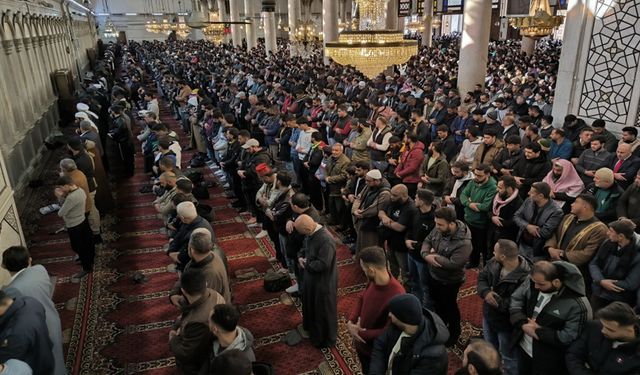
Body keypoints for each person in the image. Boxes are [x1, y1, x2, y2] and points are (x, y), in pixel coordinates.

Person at [509, 260, 592, 375]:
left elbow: (568, 338)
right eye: (534, 282)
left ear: (556, 282)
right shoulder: (534, 281)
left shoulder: (578, 305)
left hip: (550, 361)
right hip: (524, 350)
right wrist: (522, 323)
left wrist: (538, 331)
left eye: (541, 284)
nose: (536, 286)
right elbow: (516, 300)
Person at [1, 246, 65, 375]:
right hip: (52, 319)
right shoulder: (40, 269)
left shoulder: (10, 291)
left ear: (3, 265)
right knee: (57, 356)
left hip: (36, 329)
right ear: (29, 260)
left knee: (47, 362)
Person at [348, 246, 405, 373]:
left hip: (376, 352)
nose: (363, 272)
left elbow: (390, 331)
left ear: (371, 270)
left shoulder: (397, 296)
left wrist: (360, 333)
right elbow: (362, 297)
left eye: (364, 269)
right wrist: (351, 321)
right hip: (362, 345)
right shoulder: (374, 280)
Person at [421, 207, 472, 346]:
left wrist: (434, 257)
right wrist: (426, 255)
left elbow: (453, 264)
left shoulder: (464, 242)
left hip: (450, 281)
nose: (436, 227)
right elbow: (427, 241)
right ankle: (441, 327)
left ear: (451, 223)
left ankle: (454, 334)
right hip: (434, 275)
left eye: (440, 224)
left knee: (450, 307)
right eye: (436, 223)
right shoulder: (438, 229)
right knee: (438, 305)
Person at [477, 240, 530, 375]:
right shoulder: (494, 262)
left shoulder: (526, 278)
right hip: (489, 316)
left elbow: (519, 304)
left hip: (506, 325)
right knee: (490, 349)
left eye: (495, 251)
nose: (493, 253)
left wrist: (496, 302)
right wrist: (485, 292)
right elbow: (482, 277)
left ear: (503, 257)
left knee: (508, 358)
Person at [369, 294, 449, 375]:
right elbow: (380, 343)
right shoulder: (397, 325)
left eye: (393, 313)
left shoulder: (433, 356)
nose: (389, 314)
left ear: (403, 318)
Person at [169, 269, 225, 375]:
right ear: (205, 284)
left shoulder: (198, 321)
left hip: (202, 360)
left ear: (183, 291)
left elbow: (185, 353)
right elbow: (190, 309)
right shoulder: (212, 293)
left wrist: (172, 337)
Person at [294, 214, 338, 348]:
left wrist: (306, 264)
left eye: (301, 232)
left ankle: (325, 339)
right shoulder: (311, 233)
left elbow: (323, 264)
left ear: (307, 229)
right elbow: (304, 248)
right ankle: (312, 330)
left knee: (322, 310)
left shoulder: (325, 240)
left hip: (323, 282)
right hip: (311, 278)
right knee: (311, 304)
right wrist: (301, 257)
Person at [566, 302, 640, 375]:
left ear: (629, 330)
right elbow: (573, 354)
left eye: (610, 329)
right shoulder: (594, 327)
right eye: (603, 325)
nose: (603, 331)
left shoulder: (636, 356)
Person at [589, 219, 640, 312]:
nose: (607, 233)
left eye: (611, 231)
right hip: (598, 293)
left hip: (619, 301)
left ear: (621, 236)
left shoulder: (636, 255)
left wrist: (607, 283)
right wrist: (601, 281)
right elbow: (594, 263)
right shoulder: (607, 244)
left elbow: (631, 283)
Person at [170, 230, 231, 307]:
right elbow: (187, 275)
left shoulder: (210, 273)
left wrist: (180, 301)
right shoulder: (204, 255)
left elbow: (204, 302)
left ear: (191, 249)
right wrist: (174, 293)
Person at [0, 290, 53, 375]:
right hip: (44, 350)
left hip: (34, 366)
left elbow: (5, 365)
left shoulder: (14, 334)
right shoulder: (29, 301)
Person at [55, 175, 95, 281]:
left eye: (62, 187)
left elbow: (60, 213)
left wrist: (60, 197)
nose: (61, 190)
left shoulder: (71, 198)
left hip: (74, 224)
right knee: (87, 242)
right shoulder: (80, 190)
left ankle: (87, 267)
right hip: (82, 220)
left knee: (77, 247)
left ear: (67, 185)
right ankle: (90, 259)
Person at [513, 182, 564, 260]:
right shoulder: (528, 201)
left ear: (541, 196)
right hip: (522, 244)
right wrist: (527, 226)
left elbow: (545, 232)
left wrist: (529, 227)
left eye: (531, 192)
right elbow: (516, 216)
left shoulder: (556, 211)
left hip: (538, 251)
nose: (528, 193)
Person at [199, 304, 255, 374]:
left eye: (209, 320)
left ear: (214, 329)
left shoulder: (243, 361)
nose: (207, 322)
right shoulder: (214, 338)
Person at [460, 164, 497, 268]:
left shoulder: (493, 187)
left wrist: (468, 202)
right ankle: (473, 262)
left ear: (488, 175)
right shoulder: (473, 182)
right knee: (472, 244)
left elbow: (485, 207)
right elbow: (463, 195)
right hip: (469, 219)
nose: (476, 177)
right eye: (475, 174)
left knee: (484, 247)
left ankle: (486, 267)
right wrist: (470, 204)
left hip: (481, 223)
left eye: (479, 175)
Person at [406, 189, 436, 308]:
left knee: (425, 286)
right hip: (411, 254)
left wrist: (414, 245)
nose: (414, 199)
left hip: (422, 259)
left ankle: (427, 310)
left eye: (416, 198)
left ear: (422, 201)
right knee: (414, 281)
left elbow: (432, 242)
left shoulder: (434, 220)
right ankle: (415, 304)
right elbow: (409, 228)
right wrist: (407, 239)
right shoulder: (415, 212)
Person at [167, 201, 215, 271]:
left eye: (178, 216)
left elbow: (184, 257)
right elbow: (180, 234)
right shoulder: (191, 220)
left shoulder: (196, 236)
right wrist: (172, 246)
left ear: (182, 218)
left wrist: (171, 253)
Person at [353, 169, 391, 253]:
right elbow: (359, 197)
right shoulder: (370, 185)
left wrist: (361, 214)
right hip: (363, 220)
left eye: (368, 181)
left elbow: (374, 209)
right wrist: (355, 210)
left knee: (371, 248)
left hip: (372, 225)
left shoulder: (385, 193)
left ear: (377, 180)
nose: (366, 183)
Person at [490, 175, 523, 244]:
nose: (497, 189)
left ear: (509, 189)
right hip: (492, 232)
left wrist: (499, 222)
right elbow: (489, 210)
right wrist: (492, 217)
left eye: (500, 188)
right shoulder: (497, 196)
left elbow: (515, 221)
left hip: (506, 236)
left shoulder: (518, 203)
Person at [394, 132, 425, 198]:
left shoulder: (418, 152)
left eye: (405, 137)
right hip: (404, 177)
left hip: (412, 180)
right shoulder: (407, 148)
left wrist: (400, 173)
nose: (403, 139)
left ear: (409, 139)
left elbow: (412, 167)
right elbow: (402, 161)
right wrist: (396, 171)